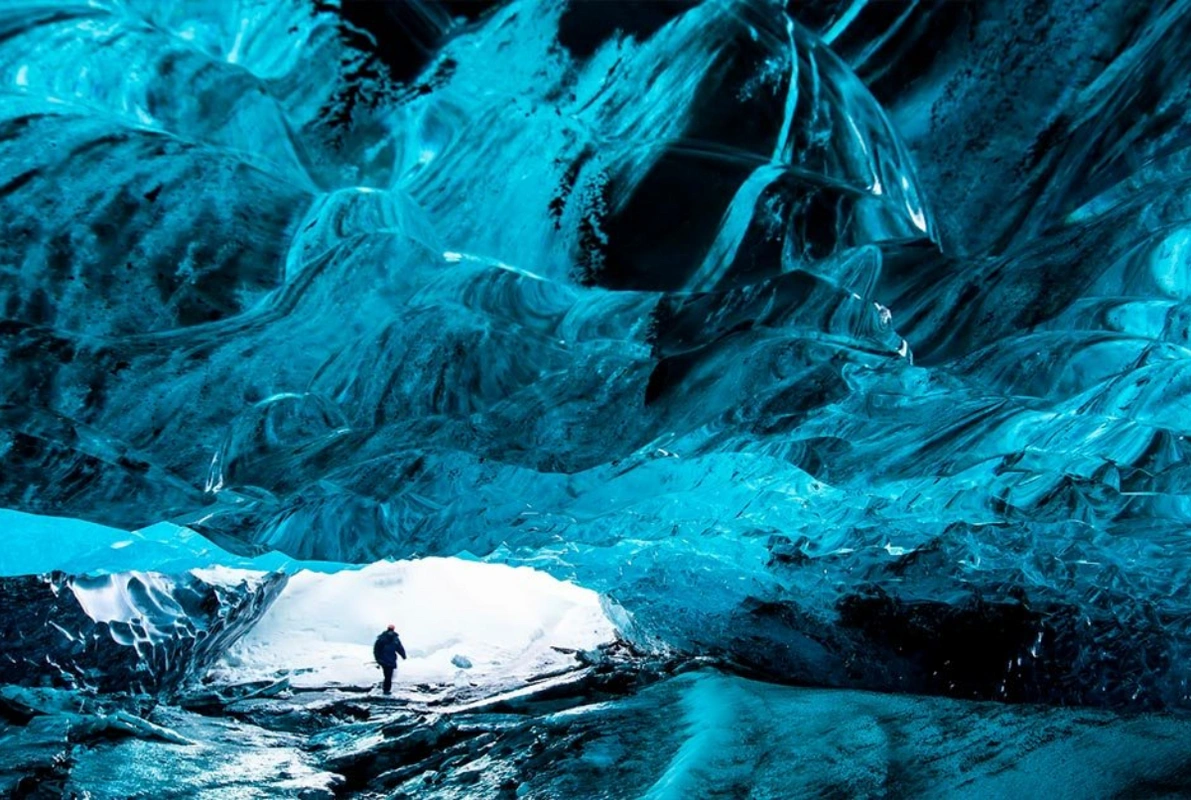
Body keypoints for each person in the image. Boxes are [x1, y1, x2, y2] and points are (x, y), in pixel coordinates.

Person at [373, 624, 407, 695]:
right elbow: (377, 650)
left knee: (388, 676)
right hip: (385, 660)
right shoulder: (383, 639)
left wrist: (403, 655)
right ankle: (386, 690)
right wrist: (378, 659)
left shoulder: (393, 639)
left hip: (390, 660)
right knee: (388, 676)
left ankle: (386, 689)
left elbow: (399, 648)